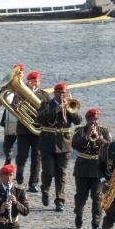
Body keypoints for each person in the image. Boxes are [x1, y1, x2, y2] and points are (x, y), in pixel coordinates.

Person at [37, 82, 81, 211]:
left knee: (61, 173)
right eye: (61, 93)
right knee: (49, 171)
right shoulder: (46, 104)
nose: (63, 95)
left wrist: (70, 110)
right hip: (47, 143)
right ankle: (45, 189)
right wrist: (55, 110)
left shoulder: (69, 104)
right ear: (55, 93)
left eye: (65, 93)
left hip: (64, 144)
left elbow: (78, 121)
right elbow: (40, 119)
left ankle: (59, 200)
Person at [71, 108, 110, 229]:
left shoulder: (104, 131)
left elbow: (108, 147)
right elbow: (74, 145)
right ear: (87, 119)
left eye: (96, 119)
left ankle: (95, 224)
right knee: (80, 197)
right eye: (91, 119)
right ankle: (78, 213)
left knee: (97, 197)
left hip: (98, 169)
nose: (94, 121)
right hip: (82, 168)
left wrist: (98, 139)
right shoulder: (79, 131)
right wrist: (86, 136)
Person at [15, 70, 48, 192]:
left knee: (37, 157)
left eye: (37, 81)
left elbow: (48, 112)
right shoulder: (20, 93)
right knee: (22, 155)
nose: (35, 84)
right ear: (27, 82)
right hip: (23, 130)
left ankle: (33, 183)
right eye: (32, 81)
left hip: (38, 131)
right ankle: (19, 173)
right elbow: (15, 106)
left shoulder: (44, 95)